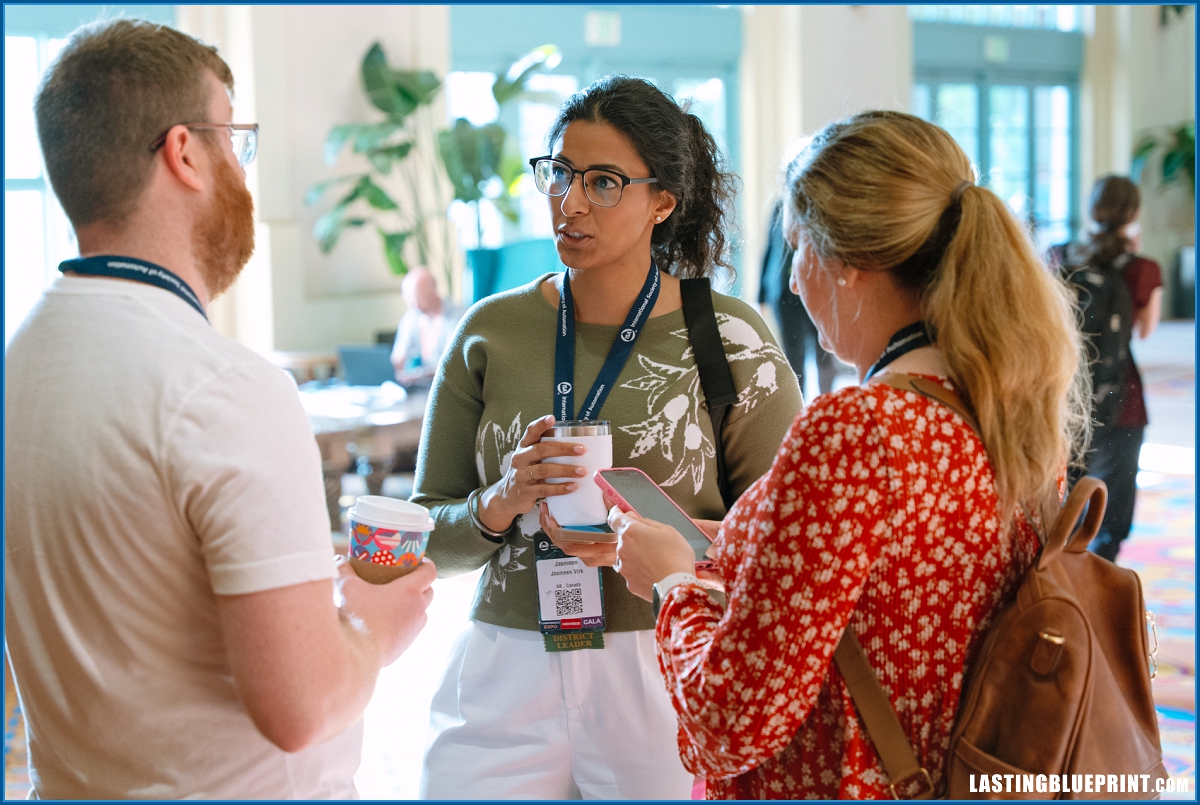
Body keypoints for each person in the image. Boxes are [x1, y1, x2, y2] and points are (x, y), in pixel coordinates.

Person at [5, 19, 435, 799]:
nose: (243, 167)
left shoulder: (21, 360)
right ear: (186, 153)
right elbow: (300, 709)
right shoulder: (224, 387)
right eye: (235, 139)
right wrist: (375, 623)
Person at [610, 111, 1089, 799]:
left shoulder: (855, 432)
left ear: (849, 262)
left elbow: (729, 723)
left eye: (797, 249)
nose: (796, 282)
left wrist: (672, 584)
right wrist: (734, 546)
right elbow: (883, 575)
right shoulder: (1009, 405)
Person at [412, 75, 802, 799]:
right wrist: (498, 501)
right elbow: (426, 534)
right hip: (507, 659)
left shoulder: (732, 338)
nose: (571, 200)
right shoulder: (490, 332)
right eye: (559, 173)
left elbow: (788, 551)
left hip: (661, 658)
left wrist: (663, 542)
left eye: (604, 181)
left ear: (663, 201)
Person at [1049, 176, 1163, 562]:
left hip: (1063, 391)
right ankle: (1098, 583)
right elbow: (1146, 331)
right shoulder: (1142, 268)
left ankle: (1054, 582)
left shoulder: (1059, 256)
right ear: (1134, 214)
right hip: (1122, 397)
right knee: (1110, 508)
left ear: (1090, 210)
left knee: (1059, 496)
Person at [759, 198, 837, 395]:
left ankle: (826, 401)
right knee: (793, 353)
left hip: (817, 289)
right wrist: (761, 296)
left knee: (824, 351)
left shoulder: (823, 205)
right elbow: (769, 248)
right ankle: (798, 408)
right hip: (782, 293)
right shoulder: (779, 207)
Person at [390, 265, 465, 387]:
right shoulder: (413, 315)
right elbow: (398, 357)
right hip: (420, 387)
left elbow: (452, 365)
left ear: (433, 291)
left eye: (419, 298)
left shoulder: (457, 318)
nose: (415, 304)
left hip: (449, 387)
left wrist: (418, 375)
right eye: (410, 299)